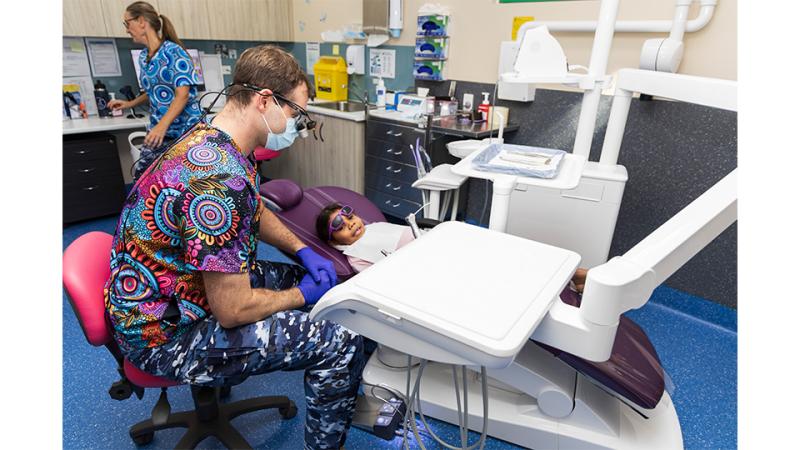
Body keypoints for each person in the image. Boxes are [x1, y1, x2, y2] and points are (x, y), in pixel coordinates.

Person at [104, 45, 364, 450]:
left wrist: (302, 251)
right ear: (264, 100)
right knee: (339, 340)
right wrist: (299, 296)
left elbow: (253, 207)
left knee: (319, 288)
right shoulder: (219, 180)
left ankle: (336, 387)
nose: (297, 125)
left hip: (168, 292)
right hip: (163, 334)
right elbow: (232, 311)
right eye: (297, 114)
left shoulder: (212, 138)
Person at [316, 202, 589, 291]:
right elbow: (385, 283)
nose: (349, 223)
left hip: (442, 244)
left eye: (349, 216)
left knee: (504, 247)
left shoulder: (375, 227)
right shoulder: (355, 258)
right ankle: (568, 278)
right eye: (338, 226)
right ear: (333, 242)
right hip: (435, 266)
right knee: (500, 265)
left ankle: (570, 273)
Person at [107, 1, 203, 179]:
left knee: (184, 182)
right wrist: (129, 103)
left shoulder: (174, 52)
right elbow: (153, 91)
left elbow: (181, 95)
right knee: (143, 177)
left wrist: (162, 126)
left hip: (185, 131)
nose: (127, 29)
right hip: (159, 129)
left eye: (127, 23)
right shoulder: (144, 57)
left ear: (142, 21)